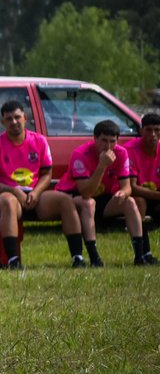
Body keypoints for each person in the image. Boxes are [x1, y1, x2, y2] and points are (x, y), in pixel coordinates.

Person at [0, 99, 81, 269]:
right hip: (5, 196)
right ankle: (13, 261)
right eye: (9, 119)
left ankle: (78, 257)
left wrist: (36, 192)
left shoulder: (39, 141)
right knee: (9, 203)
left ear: (25, 118)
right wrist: (14, 191)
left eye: (17, 117)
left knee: (65, 200)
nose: (14, 122)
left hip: (34, 195)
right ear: (2, 122)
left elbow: (47, 174)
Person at [54, 119, 155, 267]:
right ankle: (94, 258)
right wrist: (102, 166)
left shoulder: (121, 153)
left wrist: (123, 193)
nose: (108, 146)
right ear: (95, 138)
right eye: (104, 141)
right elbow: (86, 192)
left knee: (130, 202)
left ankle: (140, 257)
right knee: (89, 203)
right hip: (75, 198)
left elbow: (127, 187)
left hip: (104, 198)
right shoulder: (80, 154)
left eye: (112, 141)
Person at [123, 111, 160, 248]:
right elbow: (131, 187)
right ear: (141, 131)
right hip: (130, 195)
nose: (153, 134)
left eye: (157, 130)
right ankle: (138, 234)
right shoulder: (130, 150)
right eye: (149, 130)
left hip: (154, 195)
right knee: (139, 201)